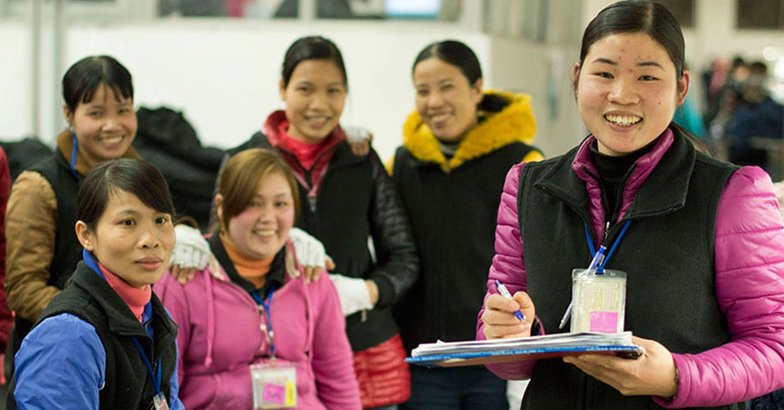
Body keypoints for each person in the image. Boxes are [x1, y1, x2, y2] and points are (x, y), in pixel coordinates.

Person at [477, 1, 784, 409]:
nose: (622, 94)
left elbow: (772, 346)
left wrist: (675, 376)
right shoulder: (529, 187)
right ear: (576, 78)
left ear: (681, 88)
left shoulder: (732, 193)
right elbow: (503, 352)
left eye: (647, 76)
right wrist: (507, 335)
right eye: (604, 73)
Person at [173, 35, 419, 410]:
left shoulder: (360, 157)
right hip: (275, 349)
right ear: (282, 88)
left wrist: (365, 292)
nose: (319, 104)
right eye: (305, 89)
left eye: (333, 90)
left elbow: (404, 254)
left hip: (365, 350)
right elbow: (221, 241)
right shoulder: (247, 158)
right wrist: (185, 241)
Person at [388, 39, 542, 409]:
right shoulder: (403, 164)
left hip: (495, 356)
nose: (434, 101)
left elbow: (541, 258)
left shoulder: (522, 163)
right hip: (424, 359)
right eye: (423, 91)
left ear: (476, 89)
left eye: (447, 87)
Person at [156, 148, 361, 409]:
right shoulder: (183, 276)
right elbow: (164, 388)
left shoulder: (310, 273)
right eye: (253, 203)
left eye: (281, 204)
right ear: (222, 207)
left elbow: (338, 380)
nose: (268, 218)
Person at [9, 158, 184, 409]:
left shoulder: (156, 317)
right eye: (128, 222)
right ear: (86, 235)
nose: (151, 240)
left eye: (160, 220)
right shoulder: (68, 336)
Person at [5, 55, 142, 354]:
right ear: (68, 114)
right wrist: (98, 317)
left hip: (128, 351)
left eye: (123, 110)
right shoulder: (38, 186)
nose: (112, 125)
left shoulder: (142, 179)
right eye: (96, 113)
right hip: (58, 352)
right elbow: (23, 289)